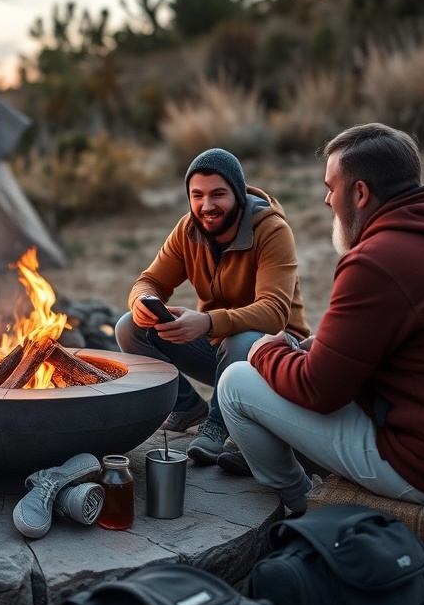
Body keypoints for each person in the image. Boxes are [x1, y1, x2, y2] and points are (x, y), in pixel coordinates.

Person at [218, 123, 424, 514]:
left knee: (236, 382)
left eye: (331, 187)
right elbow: (389, 336)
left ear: (360, 192)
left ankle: (298, 504)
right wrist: (311, 350)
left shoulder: (376, 261)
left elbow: (319, 391)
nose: (325, 199)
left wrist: (264, 353)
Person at [115, 147, 309, 468]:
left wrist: (205, 322)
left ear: (238, 193)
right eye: (197, 195)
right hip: (219, 352)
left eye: (218, 194)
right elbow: (149, 281)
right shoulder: (188, 230)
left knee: (243, 338)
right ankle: (186, 405)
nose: (207, 206)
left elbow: (274, 313)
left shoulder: (271, 230)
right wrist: (141, 303)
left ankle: (218, 425)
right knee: (129, 326)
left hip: (276, 356)